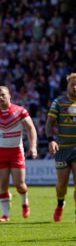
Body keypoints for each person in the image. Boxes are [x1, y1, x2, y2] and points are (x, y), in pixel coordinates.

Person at [0, 86, 37, 222]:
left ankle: (25, 201)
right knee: (3, 184)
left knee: (19, 185)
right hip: (1, 152)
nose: (1, 97)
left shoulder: (20, 111)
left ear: (9, 95)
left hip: (16, 152)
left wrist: (33, 147)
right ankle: (5, 215)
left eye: (3, 94)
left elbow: (31, 128)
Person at [45, 73, 76, 222]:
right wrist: (51, 140)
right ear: (68, 86)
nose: (75, 87)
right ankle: (60, 203)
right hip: (62, 149)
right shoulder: (59, 102)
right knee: (62, 184)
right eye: (72, 85)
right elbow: (50, 122)